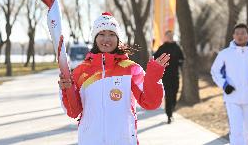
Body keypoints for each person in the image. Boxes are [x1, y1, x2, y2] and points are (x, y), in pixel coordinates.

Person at [58, 12, 170, 145]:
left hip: (124, 141)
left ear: (118, 39)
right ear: (95, 38)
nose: (107, 39)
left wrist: (153, 76)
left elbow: (151, 103)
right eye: (102, 34)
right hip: (90, 141)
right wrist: (67, 89)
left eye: (112, 34)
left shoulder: (131, 69)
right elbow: (73, 111)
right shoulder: (81, 72)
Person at [211, 23, 248, 145]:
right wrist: (225, 85)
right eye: (237, 33)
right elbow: (215, 72)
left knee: (247, 130)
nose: (240, 36)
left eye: (243, 33)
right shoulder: (225, 53)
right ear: (233, 36)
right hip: (232, 98)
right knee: (236, 131)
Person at [153, 30, 184, 124]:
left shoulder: (177, 47)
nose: (170, 37)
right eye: (168, 36)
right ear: (165, 37)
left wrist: (179, 63)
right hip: (165, 75)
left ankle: (172, 108)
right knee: (168, 95)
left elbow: (182, 58)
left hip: (175, 74)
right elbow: (155, 58)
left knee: (174, 94)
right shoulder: (162, 48)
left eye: (171, 35)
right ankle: (169, 115)